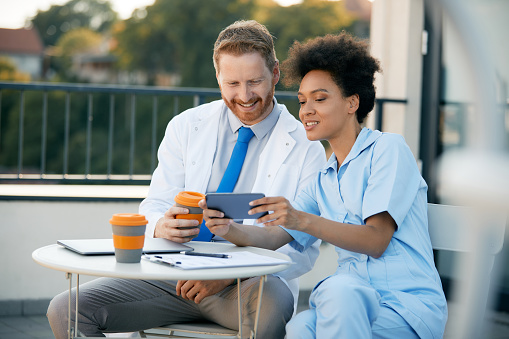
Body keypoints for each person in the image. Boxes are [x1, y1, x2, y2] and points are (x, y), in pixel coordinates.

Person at [46, 20, 325, 338]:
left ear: (275, 73)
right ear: (218, 77)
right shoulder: (186, 126)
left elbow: (302, 246)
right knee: (65, 310)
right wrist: (161, 226)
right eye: (232, 83)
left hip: (248, 285)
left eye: (255, 82)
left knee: (269, 309)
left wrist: (228, 275)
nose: (244, 96)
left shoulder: (307, 146)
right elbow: (154, 204)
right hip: (173, 276)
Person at [201, 32, 448, 338]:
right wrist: (227, 229)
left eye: (320, 99)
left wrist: (301, 218)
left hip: (404, 307)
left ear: (351, 102)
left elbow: (376, 241)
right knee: (302, 327)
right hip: (349, 303)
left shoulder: (388, 150)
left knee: (337, 291)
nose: (306, 111)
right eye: (303, 101)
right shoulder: (322, 179)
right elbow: (273, 237)